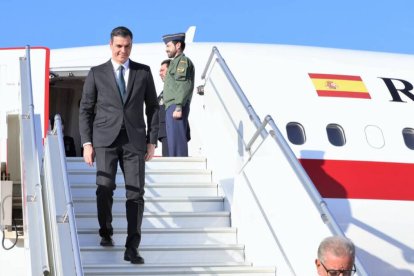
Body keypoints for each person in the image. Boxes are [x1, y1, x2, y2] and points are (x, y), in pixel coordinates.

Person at [78, 26, 158, 265]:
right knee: (105, 187)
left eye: (127, 46)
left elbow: (153, 107)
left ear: (132, 45)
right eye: (119, 46)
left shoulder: (143, 72)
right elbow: (85, 110)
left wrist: (152, 140)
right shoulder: (97, 73)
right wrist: (87, 143)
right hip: (104, 141)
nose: (123, 51)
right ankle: (105, 231)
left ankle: (132, 247)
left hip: (134, 141)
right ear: (111, 46)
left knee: (136, 193)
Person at [162, 32, 195, 157]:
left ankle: (180, 166)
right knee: (172, 141)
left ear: (178, 45)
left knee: (177, 141)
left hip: (176, 105)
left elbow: (182, 84)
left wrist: (178, 106)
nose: (166, 49)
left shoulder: (182, 61)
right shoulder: (175, 62)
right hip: (172, 105)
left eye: (168, 46)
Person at [157, 59, 191, 156]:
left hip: (174, 129)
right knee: (168, 165)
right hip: (165, 132)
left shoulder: (177, 89)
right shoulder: (164, 92)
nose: (160, 73)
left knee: (175, 162)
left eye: (162, 70)